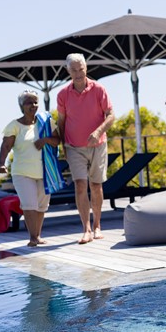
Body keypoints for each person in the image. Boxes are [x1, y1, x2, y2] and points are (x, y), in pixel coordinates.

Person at [57, 53, 115, 244]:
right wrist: (63, 145)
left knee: (96, 185)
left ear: (86, 68)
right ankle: (86, 229)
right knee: (80, 185)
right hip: (74, 146)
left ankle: (97, 225)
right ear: (68, 71)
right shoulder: (63, 95)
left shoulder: (99, 89)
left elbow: (111, 116)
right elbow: (62, 121)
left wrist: (98, 132)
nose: (78, 73)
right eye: (74, 70)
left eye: (81, 68)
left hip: (98, 144)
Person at [0, 90, 61, 247]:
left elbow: (57, 140)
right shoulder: (14, 126)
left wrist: (45, 140)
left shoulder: (46, 121)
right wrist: (1, 163)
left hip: (45, 172)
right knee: (29, 205)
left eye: (35, 102)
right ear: (21, 106)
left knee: (41, 206)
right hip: (22, 173)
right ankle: (32, 238)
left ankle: (37, 236)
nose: (33, 105)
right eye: (28, 102)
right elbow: (6, 146)